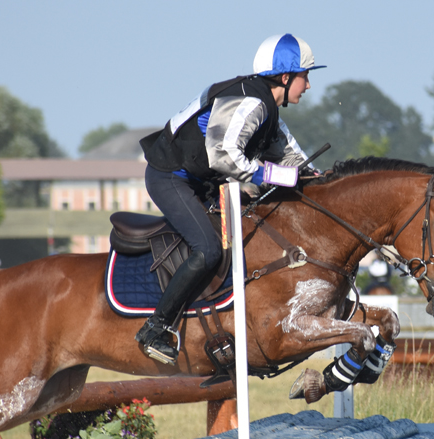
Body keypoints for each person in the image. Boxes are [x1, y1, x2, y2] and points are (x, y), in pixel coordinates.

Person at [134, 33, 325, 365]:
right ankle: (156, 327)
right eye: (305, 76)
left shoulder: (268, 111)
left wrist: (327, 182)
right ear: (285, 77)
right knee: (208, 250)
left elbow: (296, 162)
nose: (308, 85)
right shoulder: (250, 103)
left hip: (199, 184)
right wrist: (279, 176)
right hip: (169, 178)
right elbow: (224, 155)